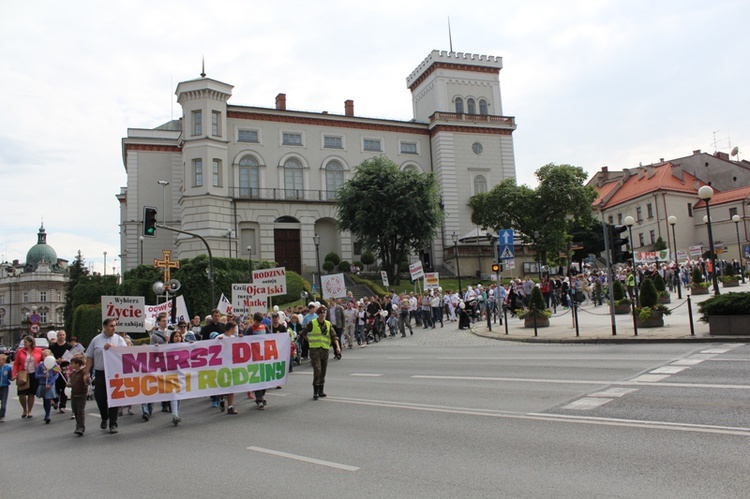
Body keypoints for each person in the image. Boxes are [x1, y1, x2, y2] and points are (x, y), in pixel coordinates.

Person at [85, 318, 127, 433]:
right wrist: (86, 373)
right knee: (100, 397)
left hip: (114, 373)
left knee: (114, 398)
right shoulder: (96, 340)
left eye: (114, 325)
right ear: (104, 327)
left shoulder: (119, 339)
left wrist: (114, 347)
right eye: (111, 326)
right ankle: (104, 416)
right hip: (100, 372)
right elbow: (89, 356)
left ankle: (113, 424)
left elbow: (126, 353)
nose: (114, 328)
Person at [302, 305, 341, 400]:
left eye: (324, 313)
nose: (322, 315)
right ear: (318, 314)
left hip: (325, 349)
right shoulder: (312, 323)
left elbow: (334, 336)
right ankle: (315, 391)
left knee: (323, 370)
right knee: (317, 370)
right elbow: (303, 333)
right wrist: (309, 340)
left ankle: (321, 390)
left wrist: (338, 347)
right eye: (321, 313)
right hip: (315, 350)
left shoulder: (328, 324)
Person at [12, 336, 43, 419]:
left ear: (30, 343)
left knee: (31, 393)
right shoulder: (20, 351)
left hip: (33, 374)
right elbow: (16, 364)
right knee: (21, 393)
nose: (24, 344)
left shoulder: (38, 350)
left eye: (25, 342)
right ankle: (24, 409)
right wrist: (14, 374)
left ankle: (30, 410)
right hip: (23, 373)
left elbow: (42, 361)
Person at [248, 313, 271, 409]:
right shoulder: (250, 329)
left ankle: (262, 394)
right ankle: (259, 399)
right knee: (257, 377)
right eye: (256, 322)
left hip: (264, 355)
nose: (258, 324)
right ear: (254, 320)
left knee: (264, 376)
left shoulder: (264, 327)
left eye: (259, 322)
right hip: (254, 356)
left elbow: (271, 337)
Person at [216, 321, 239, 414]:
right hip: (221, 365)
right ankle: (221, 399)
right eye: (235, 328)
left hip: (231, 365)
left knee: (231, 385)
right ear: (231, 329)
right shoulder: (219, 337)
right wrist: (218, 341)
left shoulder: (234, 338)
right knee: (222, 385)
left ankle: (230, 406)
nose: (235, 331)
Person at [49, 329, 72, 414]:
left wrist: (63, 360)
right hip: (55, 367)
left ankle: (63, 405)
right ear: (57, 336)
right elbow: (49, 356)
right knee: (56, 385)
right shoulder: (53, 347)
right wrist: (56, 360)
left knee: (65, 386)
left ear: (65, 336)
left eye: (63, 335)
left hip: (66, 368)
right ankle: (55, 400)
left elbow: (71, 357)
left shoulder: (68, 346)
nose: (61, 336)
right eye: (60, 335)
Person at [35, 349, 59, 424]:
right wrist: (43, 376)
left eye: (46, 355)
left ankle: (47, 415)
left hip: (50, 384)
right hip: (42, 384)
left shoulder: (54, 365)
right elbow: (36, 375)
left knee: (48, 399)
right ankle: (46, 412)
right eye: (43, 356)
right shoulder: (41, 365)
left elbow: (56, 375)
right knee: (45, 400)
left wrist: (51, 383)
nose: (44, 357)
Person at [67, 356, 89, 436]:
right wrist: (69, 384)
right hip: (74, 394)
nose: (71, 365)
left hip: (82, 394)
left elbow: (87, 382)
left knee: (80, 411)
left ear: (77, 364)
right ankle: (78, 425)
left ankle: (81, 427)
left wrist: (86, 380)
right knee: (75, 410)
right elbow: (71, 382)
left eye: (73, 363)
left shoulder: (83, 373)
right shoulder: (72, 373)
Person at [168, 330, 184, 425]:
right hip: (171, 373)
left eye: (179, 336)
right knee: (174, 394)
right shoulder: (167, 348)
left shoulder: (185, 346)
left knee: (179, 394)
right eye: (176, 336)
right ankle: (175, 415)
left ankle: (176, 412)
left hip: (181, 374)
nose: (178, 338)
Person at [0, 354, 11, 422]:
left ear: (4, 360)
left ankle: (2, 415)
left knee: (3, 403)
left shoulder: (8, 368)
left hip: (5, 387)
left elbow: (10, 377)